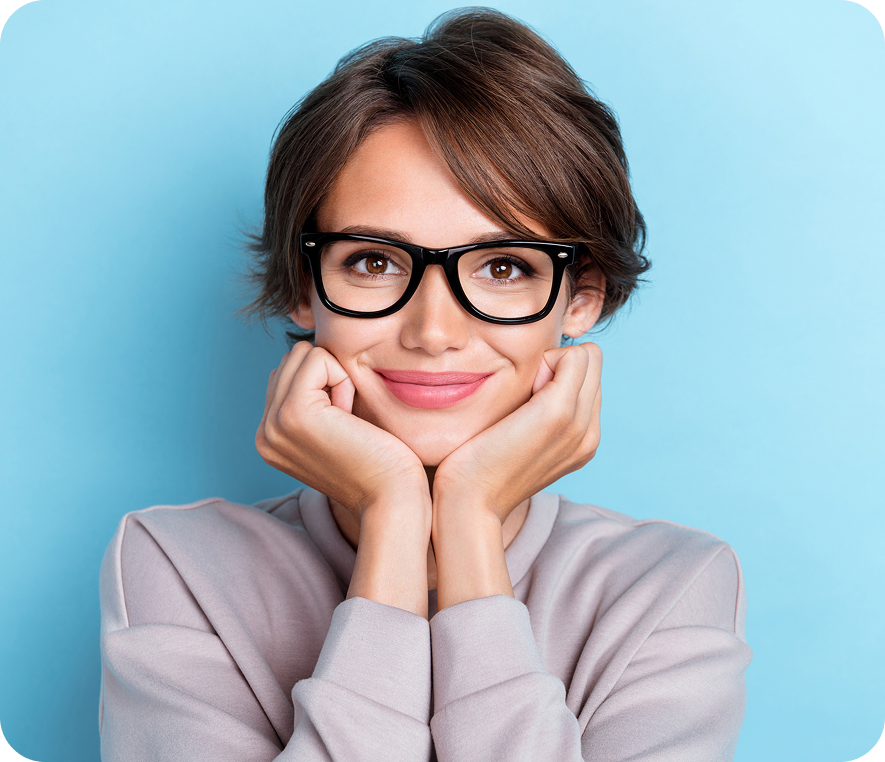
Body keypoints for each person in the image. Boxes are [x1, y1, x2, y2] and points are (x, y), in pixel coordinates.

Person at [98, 8, 752, 761]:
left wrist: (468, 521)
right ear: (304, 287)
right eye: (373, 262)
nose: (434, 331)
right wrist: (393, 519)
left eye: (503, 266)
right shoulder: (180, 566)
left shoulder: (669, 588)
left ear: (581, 297)